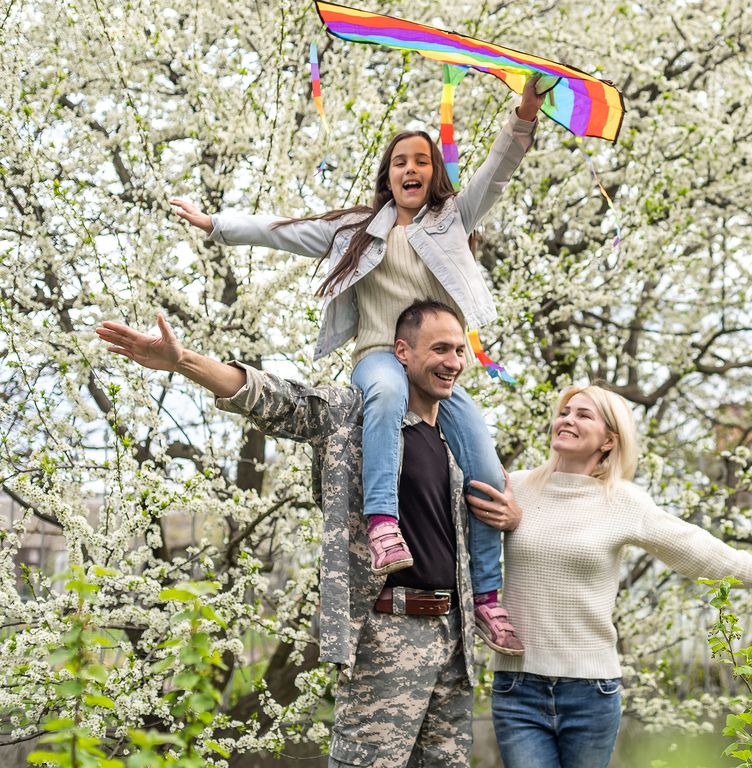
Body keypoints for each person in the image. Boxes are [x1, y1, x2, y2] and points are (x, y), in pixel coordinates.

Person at [168, 79, 548, 655]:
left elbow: (498, 170)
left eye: (421, 160)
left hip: (435, 368)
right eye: (400, 161)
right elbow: (284, 231)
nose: (410, 168)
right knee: (387, 398)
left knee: (486, 468)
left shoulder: (452, 220)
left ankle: (488, 598)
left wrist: (526, 110)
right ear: (388, 175)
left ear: (434, 173)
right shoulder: (358, 231)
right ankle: (381, 523)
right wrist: (215, 224)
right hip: (379, 356)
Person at [96, 300, 526, 768]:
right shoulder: (356, 417)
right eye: (440, 349)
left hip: (455, 638)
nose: (454, 362)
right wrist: (184, 361)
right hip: (387, 636)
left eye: (460, 351)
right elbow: (280, 399)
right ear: (401, 351)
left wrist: (512, 515)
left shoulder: (460, 439)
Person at [467, 385, 752, 768]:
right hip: (518, 687)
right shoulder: (518, 488)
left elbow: (695, 548)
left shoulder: (624, 501)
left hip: (590, 692)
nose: (567, 419)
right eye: (565, 411)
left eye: (583, 415)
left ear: (609, 440)